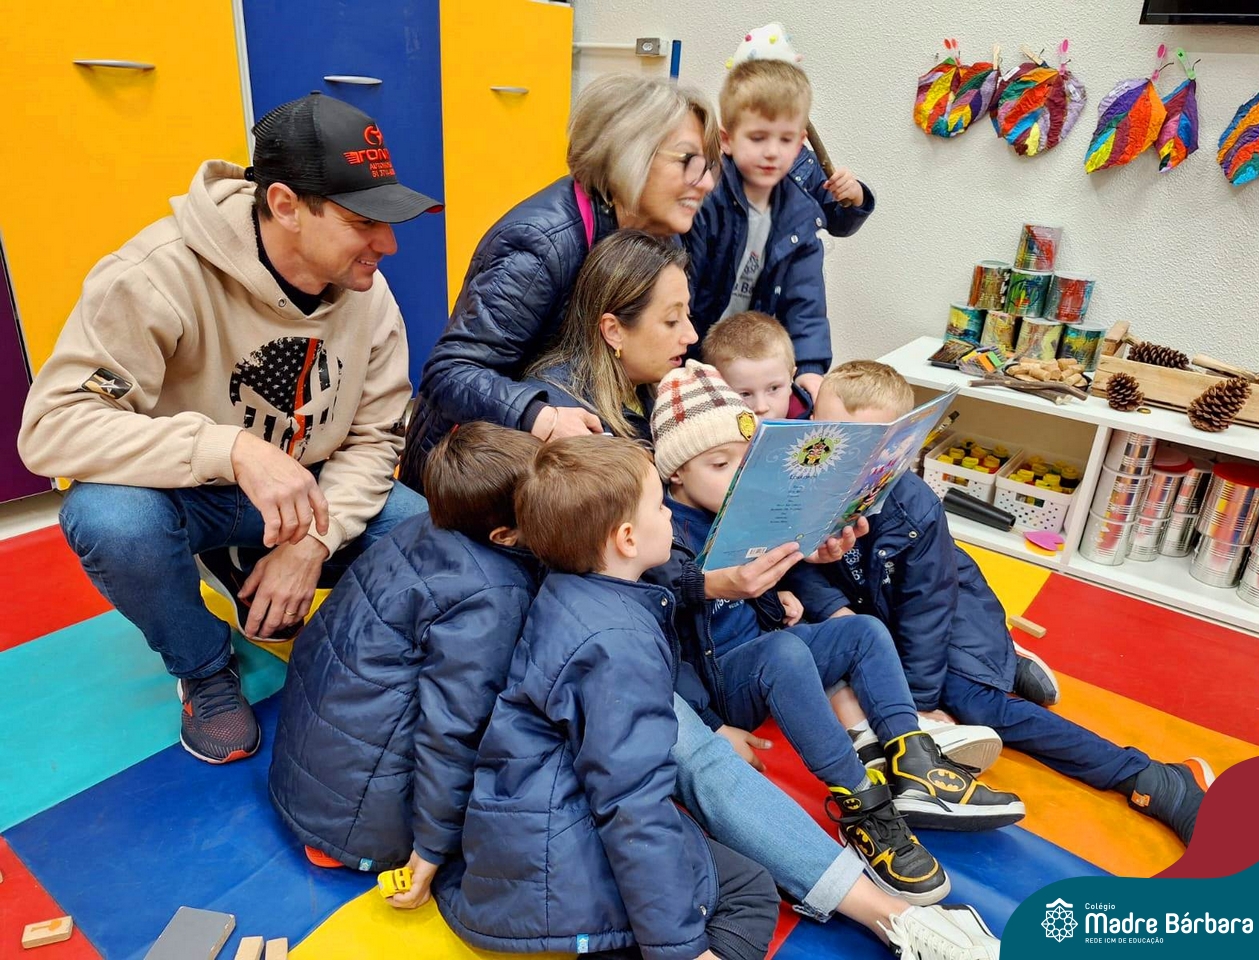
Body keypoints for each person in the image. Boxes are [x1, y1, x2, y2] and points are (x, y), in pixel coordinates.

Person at [18, 93, 436, 764]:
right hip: (195, 495)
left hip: (312, 494)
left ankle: (311, 616)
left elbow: (373, 439)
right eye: (363, 221)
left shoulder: (369, 293)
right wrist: (230, 448)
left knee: (429, 536)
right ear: (285, 205)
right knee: (109, 520)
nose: (386, 244)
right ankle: (205, 668)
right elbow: (53, 427)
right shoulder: (154, 275)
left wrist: (314, 542)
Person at [791, 361, 1216, 847]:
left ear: (898, 447)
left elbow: (928, 612)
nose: (843, 457)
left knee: (974, 702)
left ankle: (1152, 777)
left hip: (951, 610)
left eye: (866, 445)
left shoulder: (915, 508)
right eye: (830, 436)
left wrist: (919, 703)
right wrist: (838, 614)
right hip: (875, 616)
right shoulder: (803, 487)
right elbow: (796, 567)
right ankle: (1006, 664)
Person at [648, 361, 1026, 904]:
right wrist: (709, 725)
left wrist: (794, 579)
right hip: (723, 687)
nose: (737, 478)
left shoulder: (739, 509)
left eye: (745, 464)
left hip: (764, 655)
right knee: (784, 653)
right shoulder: (664, 530)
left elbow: (771, 582)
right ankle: (863, 807)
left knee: (863, 631)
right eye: (719, 464)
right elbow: (661, 636)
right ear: (676, 475)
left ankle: (914, 763)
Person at [434, 436, 780, 960]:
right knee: (749, 891)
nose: (670, 515)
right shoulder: (619, 644)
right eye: (659, 506)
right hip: (552, 867)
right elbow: (633, 802)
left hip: (521, 826)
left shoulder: (569, 589)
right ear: (626, 539)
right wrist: (682, 948)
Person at [400, 74, 719, 480]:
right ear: (629, 153)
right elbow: (450, 373)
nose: (706, 183)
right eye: (688, 162)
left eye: (708, 166)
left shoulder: (663, 236)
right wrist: (542, 416)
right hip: (470, 477)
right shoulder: (540, 244)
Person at [268, 423, 542, 886]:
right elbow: (453, 728)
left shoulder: (424, 526)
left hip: (307, 780)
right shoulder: (493, 593)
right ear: (504, 535)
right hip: (359, 825)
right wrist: (432, 847)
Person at [685, 60, 875, 401]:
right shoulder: (705, 200)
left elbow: (805, 302)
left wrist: (810, 368)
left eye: (785, 139)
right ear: (726, 140)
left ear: (801, 143)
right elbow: (682, 288)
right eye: (758, 138)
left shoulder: (800, 214)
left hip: (752, 367)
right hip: (692, 358)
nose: (772, 152)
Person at [523, 230, 697, 439]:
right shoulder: (560, 415)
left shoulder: (655, 391)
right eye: (672, 321)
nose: (692, 336)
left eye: (688, 315)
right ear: (613, 331)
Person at [702, 310, 814, 420]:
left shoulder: (813, 424)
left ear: (791, 379)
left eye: (774, 388)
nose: (761, 407)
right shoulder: (708, 427)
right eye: (745, 394)